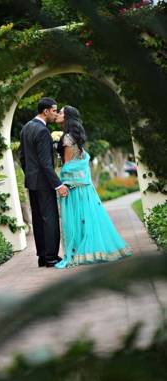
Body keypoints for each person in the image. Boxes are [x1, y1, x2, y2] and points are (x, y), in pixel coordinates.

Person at [54, 105, 133, 269]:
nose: (58, 114)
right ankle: (91, 250)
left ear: (67, 117)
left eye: (60, 112)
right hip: (83, 184)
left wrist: (62, 181)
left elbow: (68, 165)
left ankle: (78, 252)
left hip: (74, 186)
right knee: (85, 216)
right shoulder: (75, 136)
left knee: (75, 218)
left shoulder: (67, 138)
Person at [20, 97, 68, 268]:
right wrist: (58, 184)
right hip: (44, 182)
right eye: (54, 111)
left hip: (32, 182)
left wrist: (31, 175)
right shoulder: (42, 131)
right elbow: (45, 163)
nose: (56, 114)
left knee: (39, 219)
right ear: (46, 111)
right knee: (50, 219)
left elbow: (23, 158)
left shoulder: (26, 128)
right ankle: (51, 258)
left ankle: (42, 257)